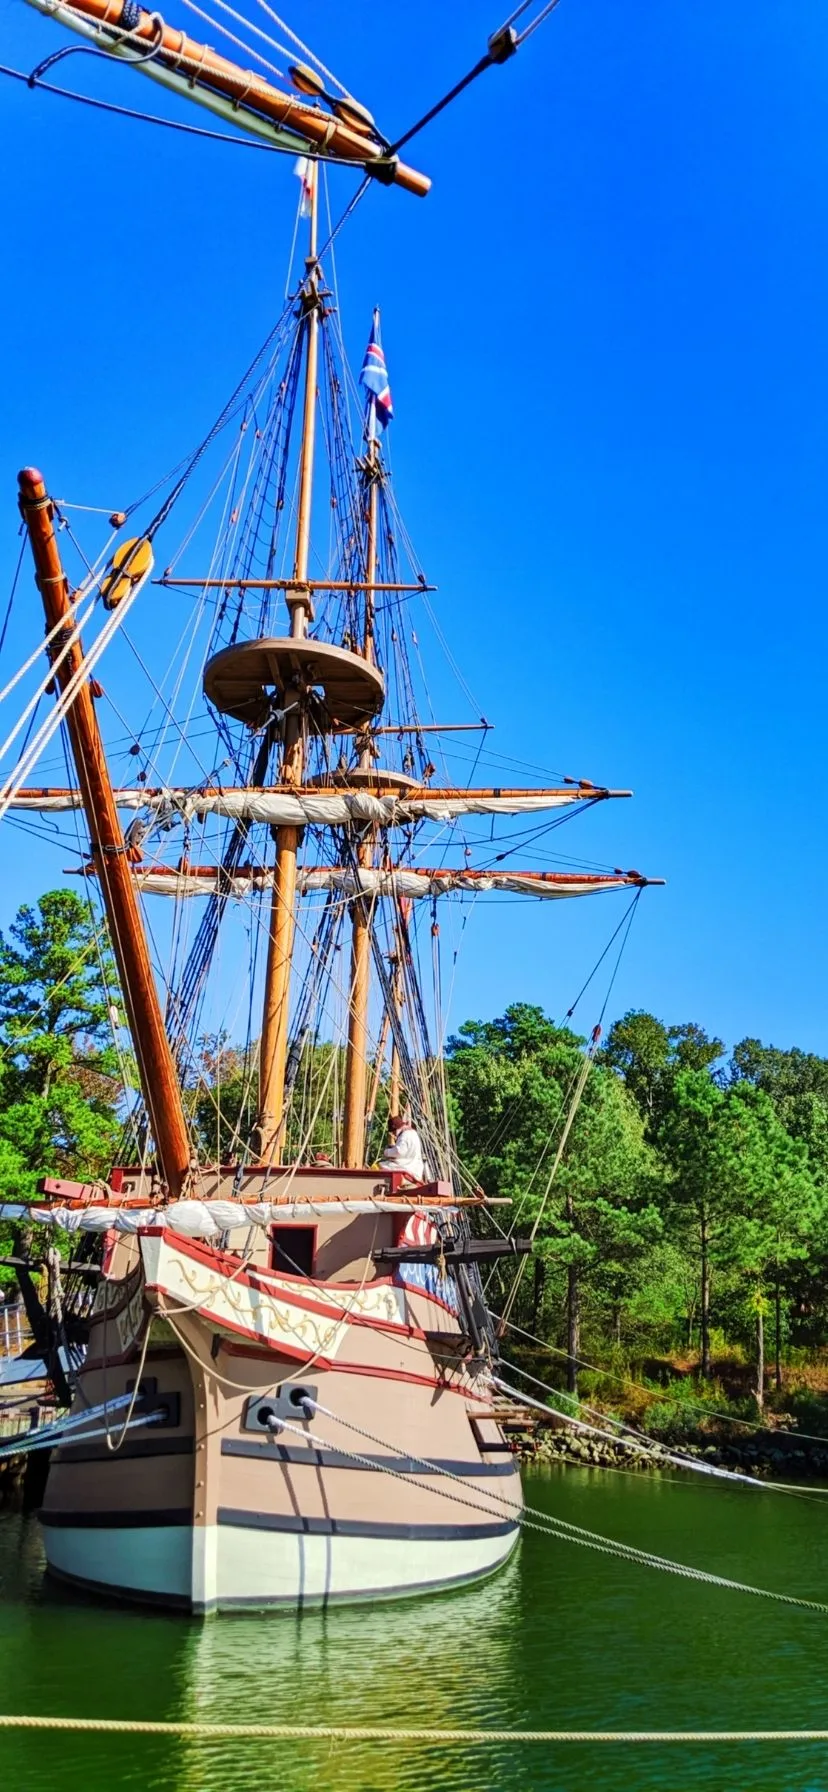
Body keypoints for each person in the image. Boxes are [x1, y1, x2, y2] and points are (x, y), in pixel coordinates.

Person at [379, 1112, 428, 1184]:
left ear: (396, 1129)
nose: (393, 1134)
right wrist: (393, 1148)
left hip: (407, 1168)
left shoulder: (404, 1135)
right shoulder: (413, 1133)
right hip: (415, 1168)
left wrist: (387, 1152)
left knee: (380, 1166)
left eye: (393, 1132)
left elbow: (400, 1151)